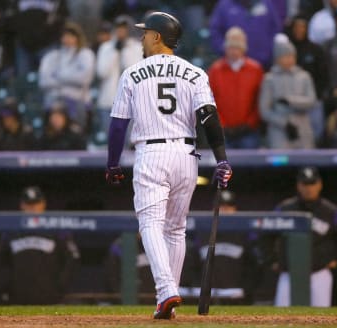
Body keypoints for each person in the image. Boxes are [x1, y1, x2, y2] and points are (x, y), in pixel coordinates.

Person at [105, 12, 232, 319]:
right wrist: (222, 158)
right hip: (187, 156)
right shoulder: (195, 73)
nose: (142, 38)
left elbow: (118, 125)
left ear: (158, 37)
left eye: (146, 33)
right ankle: (166, 302)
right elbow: (208, 117)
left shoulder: (132, 73)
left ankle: (166, 291)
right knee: (175, 230)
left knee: (150, 224)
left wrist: (112, 163)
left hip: (151, 152)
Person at [272, 166, 337, 307]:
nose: (308, 188)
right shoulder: (284, 208)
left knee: (320, 317)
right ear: (298, 185)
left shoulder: (330, 211)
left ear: (319, 184)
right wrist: (271, 260)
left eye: (312, 184)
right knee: (281, 317)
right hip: (289, 274)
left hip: (319, 274)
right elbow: (264, 234)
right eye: (305, 184)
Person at [0, 186, 80, 305]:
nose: (32, 208)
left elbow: (72, 259)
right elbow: (2, 262)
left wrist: (60, 286)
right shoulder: (11, 230)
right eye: (28, 204)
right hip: (18, 298)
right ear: (22, 205)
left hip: (50, 297)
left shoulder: (57, 227)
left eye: (36, 203)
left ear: (43, 204)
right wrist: (5, 286)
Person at [193, 190, 260, 305]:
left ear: (235, 209)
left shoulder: (246, 233)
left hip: (237, 294)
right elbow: (192, 263)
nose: (224, 210)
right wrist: (197, 287)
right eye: (220, 206)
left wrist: (246, 290)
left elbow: (255, 265)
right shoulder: (201, 233)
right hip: (207, 294)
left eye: (228, 206)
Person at [208, 27, 264, 149]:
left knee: (250, 166)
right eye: (231, 47)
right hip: (223, 132)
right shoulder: (215, 70)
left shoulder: (255, 69)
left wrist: (250, 124)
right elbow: (210, 101)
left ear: (243, 49)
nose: (233, 51)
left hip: (249, 132)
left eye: (237, 47)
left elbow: (259, 100)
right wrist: (221, 125)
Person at [259, 35, 317, 149]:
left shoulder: (304, 76)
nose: (289, 59)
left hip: (302, 129)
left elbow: (312, 101)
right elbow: (264, 110)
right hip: (278, 131)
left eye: (291, 56)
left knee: (305, 163)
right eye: (285, 56)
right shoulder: (269, 79)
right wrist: (284, 123)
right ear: (277, 59)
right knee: (280, 164)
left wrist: (290, 101)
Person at [95, 15, 143, 147]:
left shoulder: (138, 48)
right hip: (108, 102)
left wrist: (124, 51)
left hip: (132, 103)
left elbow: (136, 73)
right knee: (112, 142)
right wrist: (115, 51)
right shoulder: (106, 47)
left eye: (124, 29)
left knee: (130, 142)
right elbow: (101, 72)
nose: (121, 32)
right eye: (118, 29)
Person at [38, 21, 95, 126]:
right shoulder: (53, 56)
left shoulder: (86, 54)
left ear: (77, 37)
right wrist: (69, 78)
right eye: (65, 36)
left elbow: (84, 79)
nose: (67, 39)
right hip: (56, 101)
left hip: (78, 102)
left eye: (71, 36)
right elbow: (43, 81)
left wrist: (59, 76)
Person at [209, 0, 283, 69]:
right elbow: (215, 30)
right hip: (233, 65)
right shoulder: (224, 5)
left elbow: (276, 28)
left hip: (263, 62)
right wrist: (224, 50)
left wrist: (268, 51)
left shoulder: (265, 3)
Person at [9, 0, 69, 75]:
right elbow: (12, 16)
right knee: (23, 81)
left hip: (48, 45)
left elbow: (63, 18)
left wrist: (46, 32)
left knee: (49, 78)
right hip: (23, 45)